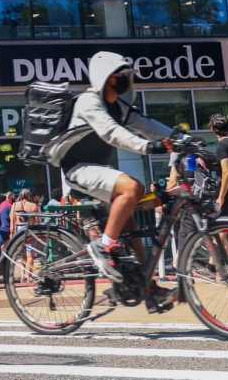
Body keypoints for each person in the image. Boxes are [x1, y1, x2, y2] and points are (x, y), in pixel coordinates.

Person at [47, 50, 176, 313]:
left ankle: (148, 289)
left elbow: (145, 123)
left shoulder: (119, 106)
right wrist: (148, 147)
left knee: (131, 225)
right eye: (118, 76)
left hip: (99, 169)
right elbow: (111, 132)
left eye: (126, 76)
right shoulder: (88, 101)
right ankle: (103, 246)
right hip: (77, 169)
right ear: (104, 78)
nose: (123, 81)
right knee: (132, 187)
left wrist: (179, 138)